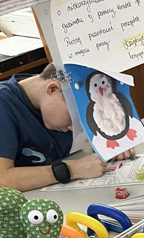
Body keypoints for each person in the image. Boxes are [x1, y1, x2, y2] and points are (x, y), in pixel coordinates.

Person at [0, 64, 133, 192]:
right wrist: (71, 170)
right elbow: (2, 179)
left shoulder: (59, 102)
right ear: (53, 89)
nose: (73, 129)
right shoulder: (4, 105)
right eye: (73, 118)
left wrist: (112, 145)